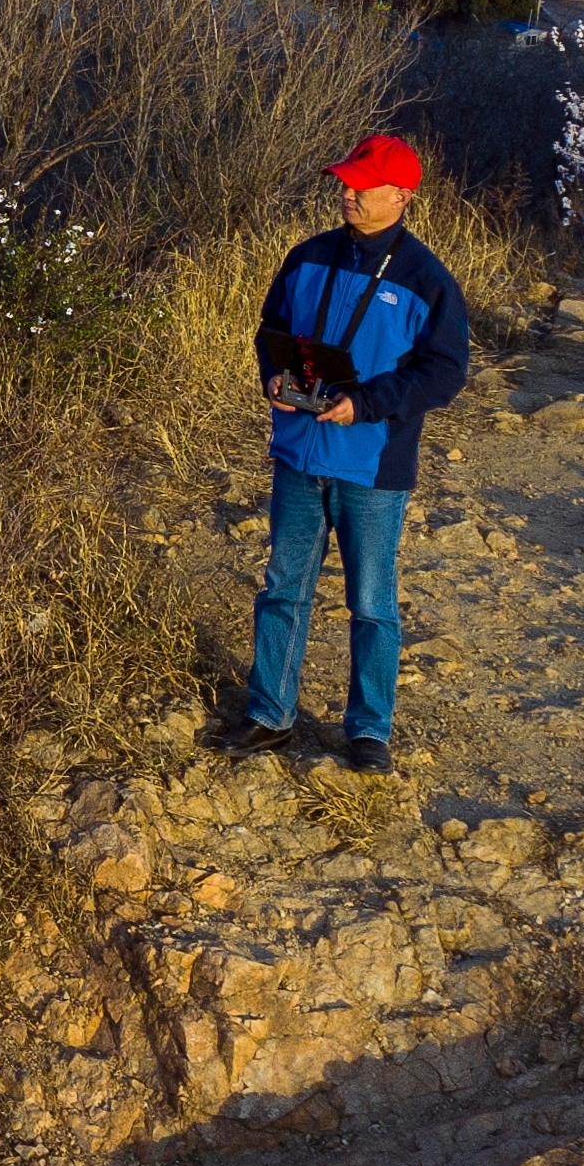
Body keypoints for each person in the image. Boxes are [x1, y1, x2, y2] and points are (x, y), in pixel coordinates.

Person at [223, 133, 472, 773]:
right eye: (345, 182)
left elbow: (444, 372)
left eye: (363, 186)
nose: (349, 194)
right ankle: (269, 715)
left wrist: (368, 402)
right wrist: (273, 379)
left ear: (402, 196)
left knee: (371, 601)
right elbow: (271, 332)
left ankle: (369, 732)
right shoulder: (307, 256)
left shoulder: (427, 280)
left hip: (373, 464)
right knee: (283, 588)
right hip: (300, 452)